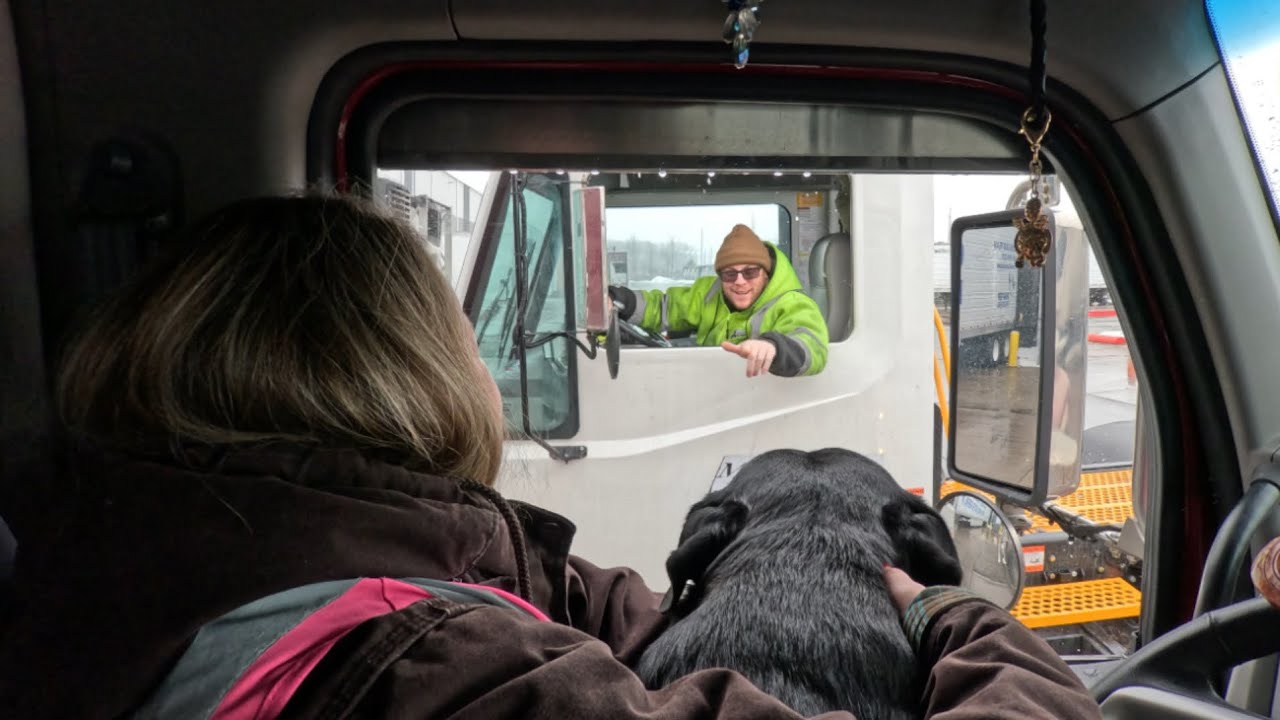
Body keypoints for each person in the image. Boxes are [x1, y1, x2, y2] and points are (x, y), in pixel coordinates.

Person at [0, 194, 1101, 719]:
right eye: (452, 333)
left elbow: (531, 592)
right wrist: (943, 617)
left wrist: (726, 582)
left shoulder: (135, 572)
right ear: (410, 378)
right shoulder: (435, 682)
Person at [609, 224, 829, 377]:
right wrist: (619, 300)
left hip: (764, 402)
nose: (740, 282)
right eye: (730, 274)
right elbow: (663, 307)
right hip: (713, 391)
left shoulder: (792, 303)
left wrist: (774, 347)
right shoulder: (709, 293)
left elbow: (813, 345)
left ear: (766, 273)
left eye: (750, 272)